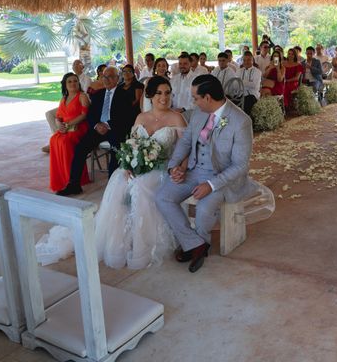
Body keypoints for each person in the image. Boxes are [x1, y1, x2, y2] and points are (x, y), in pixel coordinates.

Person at [155, 74, 256, 273]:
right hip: (193, 170)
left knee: (203, 210)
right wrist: (174, 166)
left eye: (196, 97)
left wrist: (210, 185)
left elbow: (240, 165)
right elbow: (185, 142)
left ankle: (195, 245)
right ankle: (196, 245)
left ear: (208, 98)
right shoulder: (198, 114)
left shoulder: (240, 121)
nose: (193, 101)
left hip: (222, 177)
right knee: (162, 197)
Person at [94, 76, 187, 269]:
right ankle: (121, 239)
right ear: (150, 95)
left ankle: (141, 244)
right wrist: (127, 164)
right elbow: (132, 146)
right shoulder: (141, 117)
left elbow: (186, 149)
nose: (164, 97)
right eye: (159, 93)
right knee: (119, 179)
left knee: (140, 186)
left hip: (163, 168)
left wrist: (181, 168)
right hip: (138, 166)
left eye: (168, 93)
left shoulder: (176, 117)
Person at [56, 66, 135, 195]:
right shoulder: (98, 94)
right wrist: (96, 125)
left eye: (110, 76)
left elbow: (127, 117)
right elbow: (91, 114)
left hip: (115, 129)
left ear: (117, 78)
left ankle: (112, 187)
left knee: (116, 151)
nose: (106, 79)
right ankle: (74, 184)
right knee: (80, 148)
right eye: (104, 77)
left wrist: (107, 125)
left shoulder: (125, 94)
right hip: (97, 129)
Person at [49, 73, 91, 192]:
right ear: (65, 85)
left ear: (79, 83)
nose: (73, 83)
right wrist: (59, 124)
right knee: (53, 140)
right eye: (70, 82)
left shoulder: (82, 96)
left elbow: (84, 115)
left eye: (75, 81)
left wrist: (68, 125)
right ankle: (61, 176)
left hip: (79, 127)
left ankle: (72, 178)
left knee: (65, 141)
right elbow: (58, 117)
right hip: (66, 128)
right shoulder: (64, 98)